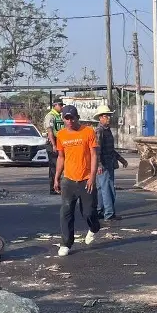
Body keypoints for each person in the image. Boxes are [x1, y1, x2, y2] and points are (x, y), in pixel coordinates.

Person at [53, 105, 100, 257]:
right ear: (63, 119)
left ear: (77, 117)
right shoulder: (61, 135)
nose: (70, 121)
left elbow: (94, 155)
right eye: (67, 118)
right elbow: (61, 157)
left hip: (86, 179)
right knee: (66, 212)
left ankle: (94, 228)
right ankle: (66, 243)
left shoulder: (88, 132)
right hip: (68, 180)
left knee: (88, 213)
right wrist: (57, 177)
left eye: (72, 117)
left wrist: (92, 176)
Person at [94, 104, 128, 221]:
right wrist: (98, 165)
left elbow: (110, 149)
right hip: (103, 164)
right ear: (100, 118)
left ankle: (99, 211)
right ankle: (109, 214)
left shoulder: (107, 131)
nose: (108, 118)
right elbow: (97, 150)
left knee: (101, 188)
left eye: (109, 116)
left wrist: (121, 159)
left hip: (109, 162)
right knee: (107, 188)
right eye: (105, 116)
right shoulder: (99, 131)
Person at [44, 98, 65, 194]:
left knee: (60, 165)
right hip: (53, 142)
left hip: (60, 142)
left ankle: (59, 186)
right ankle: (53, 188)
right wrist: (53, 144)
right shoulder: (50, 116)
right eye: (60, 105)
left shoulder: (59, 116)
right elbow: (50, 131)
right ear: (55, 105)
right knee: (54, 166)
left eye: (62, 105)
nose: (61, 107)